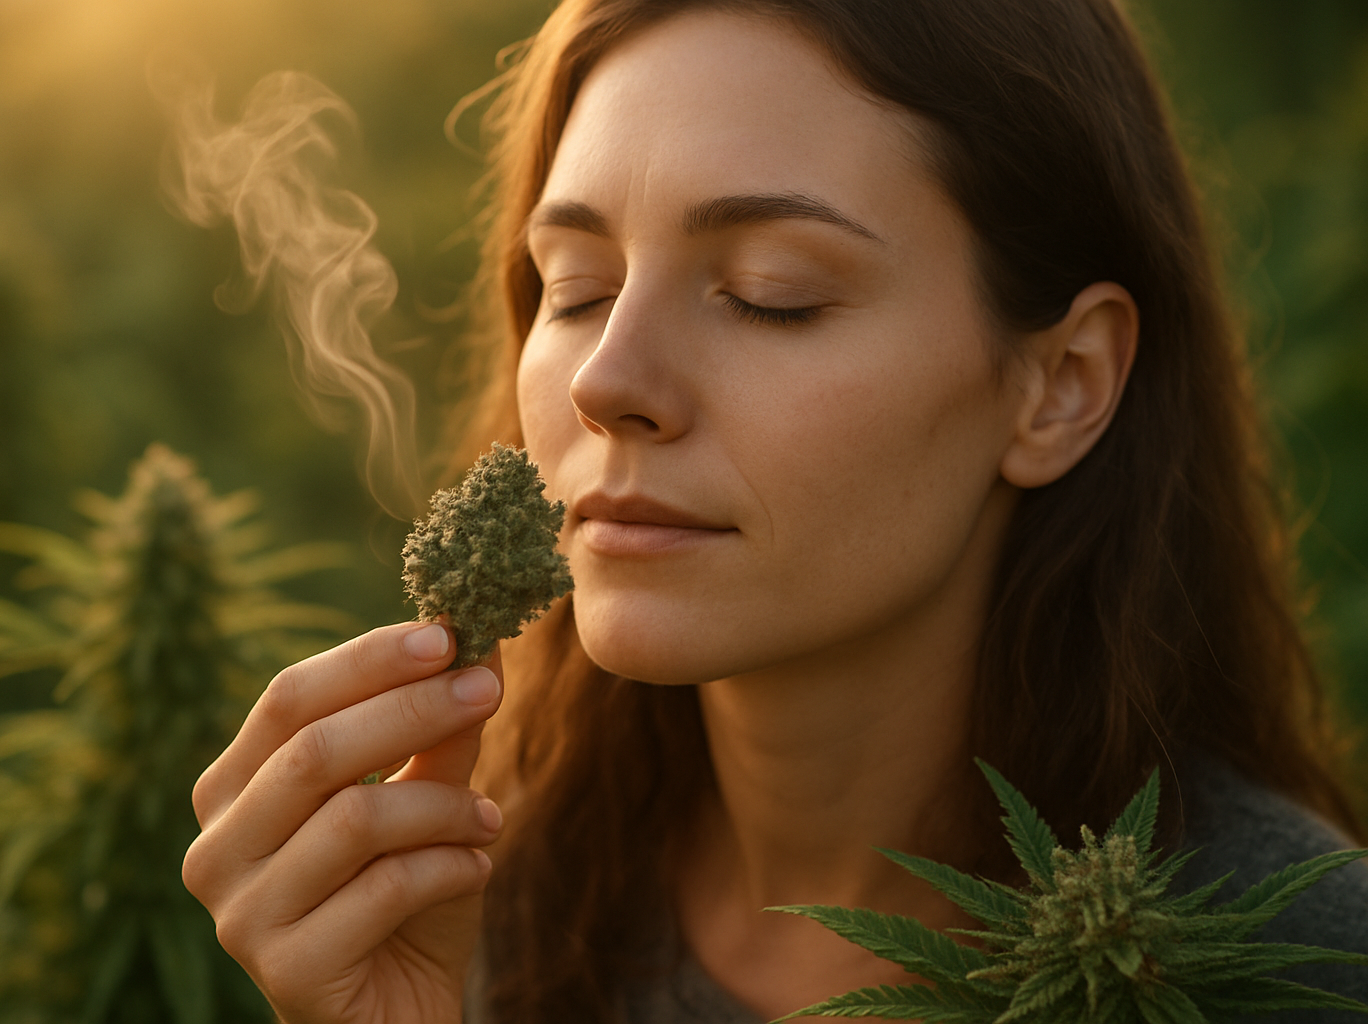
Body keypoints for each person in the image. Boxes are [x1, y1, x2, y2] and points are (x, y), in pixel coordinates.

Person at [179, 1, 1368, 1022]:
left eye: (769, 296)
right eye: (577, 288)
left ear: (1062, 384)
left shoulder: (1297, 964)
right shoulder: (468, 910)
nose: (606, 382)